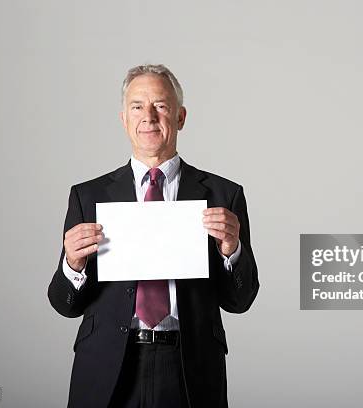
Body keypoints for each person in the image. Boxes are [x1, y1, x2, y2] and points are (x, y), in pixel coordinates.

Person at [47, 64, 259, 408]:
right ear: (123, 119)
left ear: (180, 116)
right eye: (137, 106)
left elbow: (241, 301)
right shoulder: (87, 196)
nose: (148, 116)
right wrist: (72, 263)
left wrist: (231, 250)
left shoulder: (224, 195)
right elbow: (64, 305)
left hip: (189, 366)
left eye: (160, 105)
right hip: (107, 363)